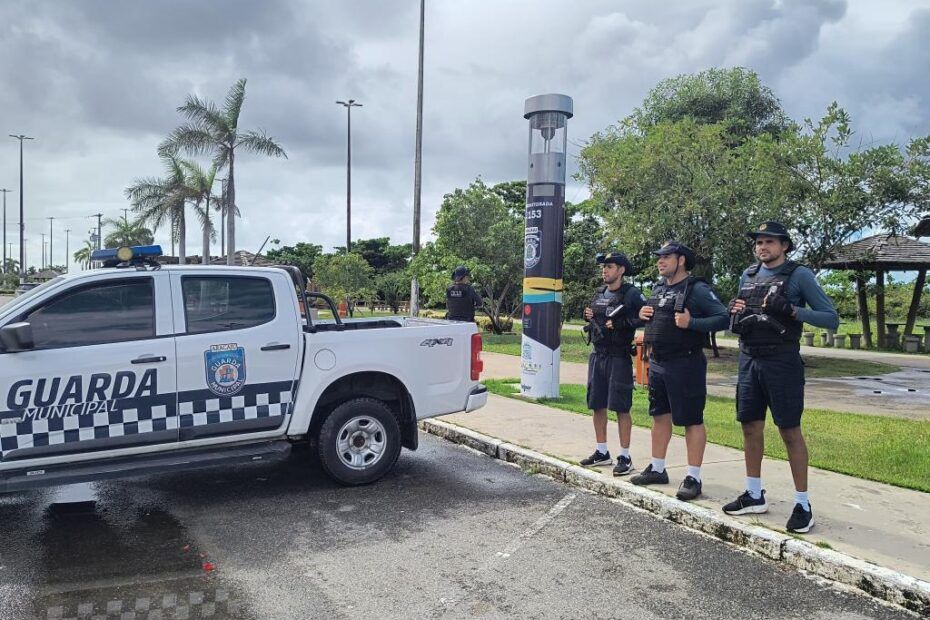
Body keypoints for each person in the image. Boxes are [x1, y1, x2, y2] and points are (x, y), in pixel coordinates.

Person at [722, 221, 839, 534]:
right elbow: (736, 316)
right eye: (759, 242)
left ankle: (802, 504)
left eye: (769, 242)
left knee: (789, 430)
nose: (762, 247)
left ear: (785, 245)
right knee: (749, 426)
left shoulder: (799, 275)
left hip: (781, 361)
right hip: (749, 358)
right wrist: (733, 310)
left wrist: (791, 311)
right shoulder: (746, 275)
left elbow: (831, 318)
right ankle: (754, 494)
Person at [631, 242, 728, 501]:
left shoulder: (696, 289)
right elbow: (651, 317)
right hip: (659, 362)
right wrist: (642, 314)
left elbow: (723, 317)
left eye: (666, 257)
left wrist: (692, 323)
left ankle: (693, 477)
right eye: (659, 257)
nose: (660, 261)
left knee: (691, 420)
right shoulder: (659, 287)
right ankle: (657, 468)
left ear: (681, 260)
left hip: (686, 363)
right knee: (659, 415)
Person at [579, 251, 646, 476]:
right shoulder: (600, 293)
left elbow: (646, 316)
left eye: (609, 266)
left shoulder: (631, 294)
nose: (604, 270)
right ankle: (601, 451)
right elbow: (594, 315)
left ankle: (625, 456)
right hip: (598, 354)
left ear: (621, 270)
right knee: (597, 404)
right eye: (603, 267)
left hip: (619, 356)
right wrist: (587, 315)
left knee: (620, 406)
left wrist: (623, 323)